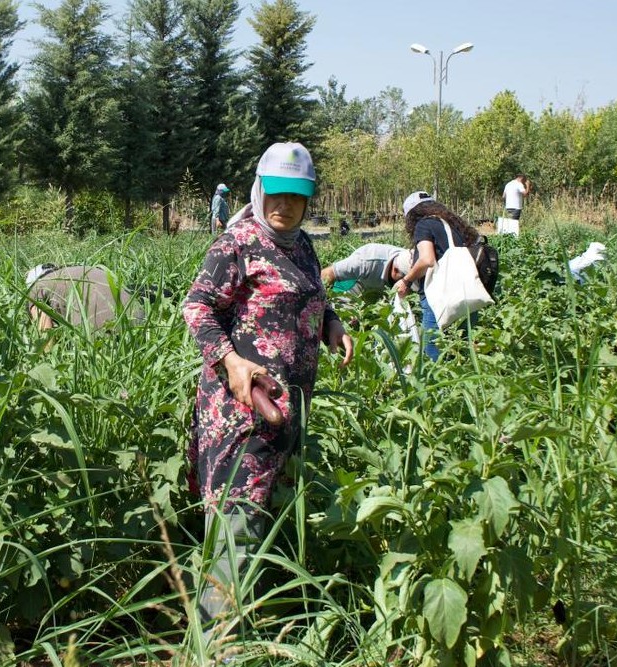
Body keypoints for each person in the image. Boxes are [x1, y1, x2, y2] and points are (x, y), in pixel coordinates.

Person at [182, 142, 354, 640]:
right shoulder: (237, 243)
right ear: (260, 191)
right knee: (236, 520)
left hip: (287, 408)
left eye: (296, 198)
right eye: (276, 195)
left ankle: (252, 618)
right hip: (239, 410)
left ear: (309, 200)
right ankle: (218, 643)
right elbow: (197, 308)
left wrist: (333, 325)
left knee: (264, 513)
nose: (284, 206)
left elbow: (310, 296)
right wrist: (231, 362)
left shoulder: (301, 244)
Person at [393, 190, 482, 361]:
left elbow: (427, 260)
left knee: (434, 352)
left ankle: (437, 387)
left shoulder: (423, 225)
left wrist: (406, 280)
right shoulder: (455, 225)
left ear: (411, 215)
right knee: (462, 350)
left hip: (439, 298)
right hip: (467, 294)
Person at [25, 263, 144, 331]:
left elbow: (45, 331)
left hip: (104, 335)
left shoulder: (37, 287)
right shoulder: (85, 268)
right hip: (142, 323)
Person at [320, 243, 413, 296]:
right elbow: (329, 273)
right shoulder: (365, 261)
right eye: (405, 278)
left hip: (376, 289)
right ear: (395, 270)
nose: (407, 283)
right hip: (354, 284)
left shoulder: (410, 260)